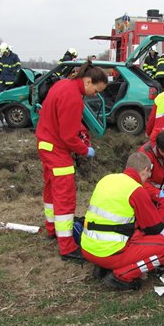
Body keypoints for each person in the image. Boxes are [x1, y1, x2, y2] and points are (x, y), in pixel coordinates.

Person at [35, 61, 108, 262]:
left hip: (45, 144)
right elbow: (68, 136)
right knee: (65, 196)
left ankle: (52, 229)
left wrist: (81, 133)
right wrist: (85, 150)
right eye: (95, 89)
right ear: (87, 80)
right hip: (57, 150)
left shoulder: (62, 85)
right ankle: (67, 247)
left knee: (51, 190)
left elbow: (65, 122)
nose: (95, 94)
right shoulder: (74, 97)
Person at [80, 152, 164, 290]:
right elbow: (155, 227)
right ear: (145, 170)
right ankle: (121, 276)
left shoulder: (106, 180)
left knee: (136, 231)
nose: (148, 178)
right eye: (149, 174)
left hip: (88, 247)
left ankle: (103, 267)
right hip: (109, 253)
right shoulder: (136, 189)